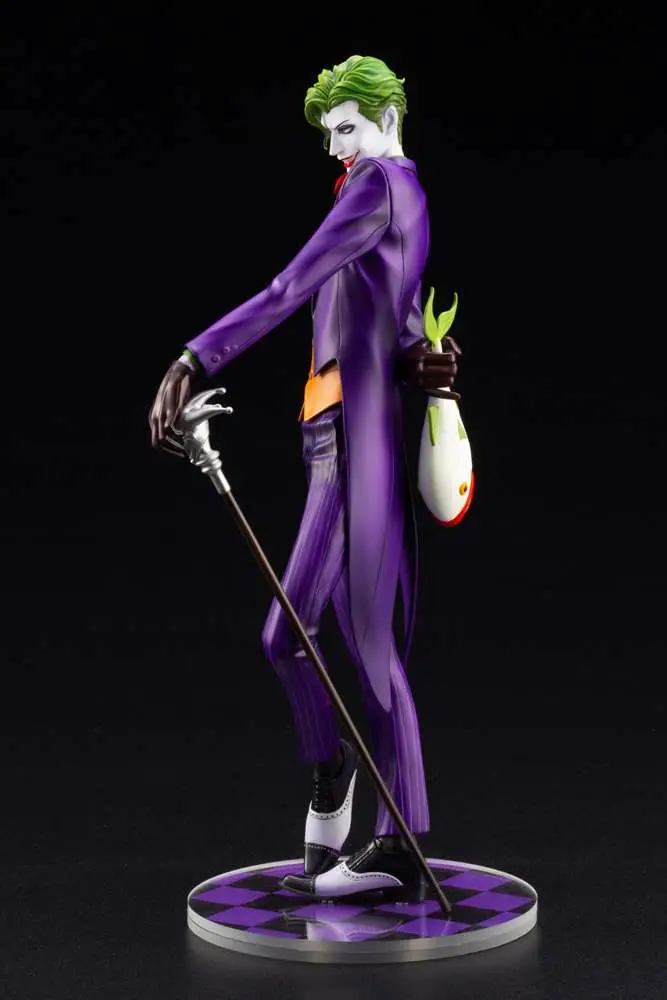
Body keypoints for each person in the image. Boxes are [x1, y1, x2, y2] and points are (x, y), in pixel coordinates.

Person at [149, 55, 461, 900]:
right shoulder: (387, 192)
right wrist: (419, 360)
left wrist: (193, 356)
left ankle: (398, 842)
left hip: (356, 438)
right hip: (329, 433)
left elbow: (290, 284)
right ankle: (335, 774)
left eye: (346, 127)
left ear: (386, 116)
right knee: (289, 638)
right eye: (328, 134)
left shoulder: (380, 184)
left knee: (365, 640)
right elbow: (394, 316)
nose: (336, 147)